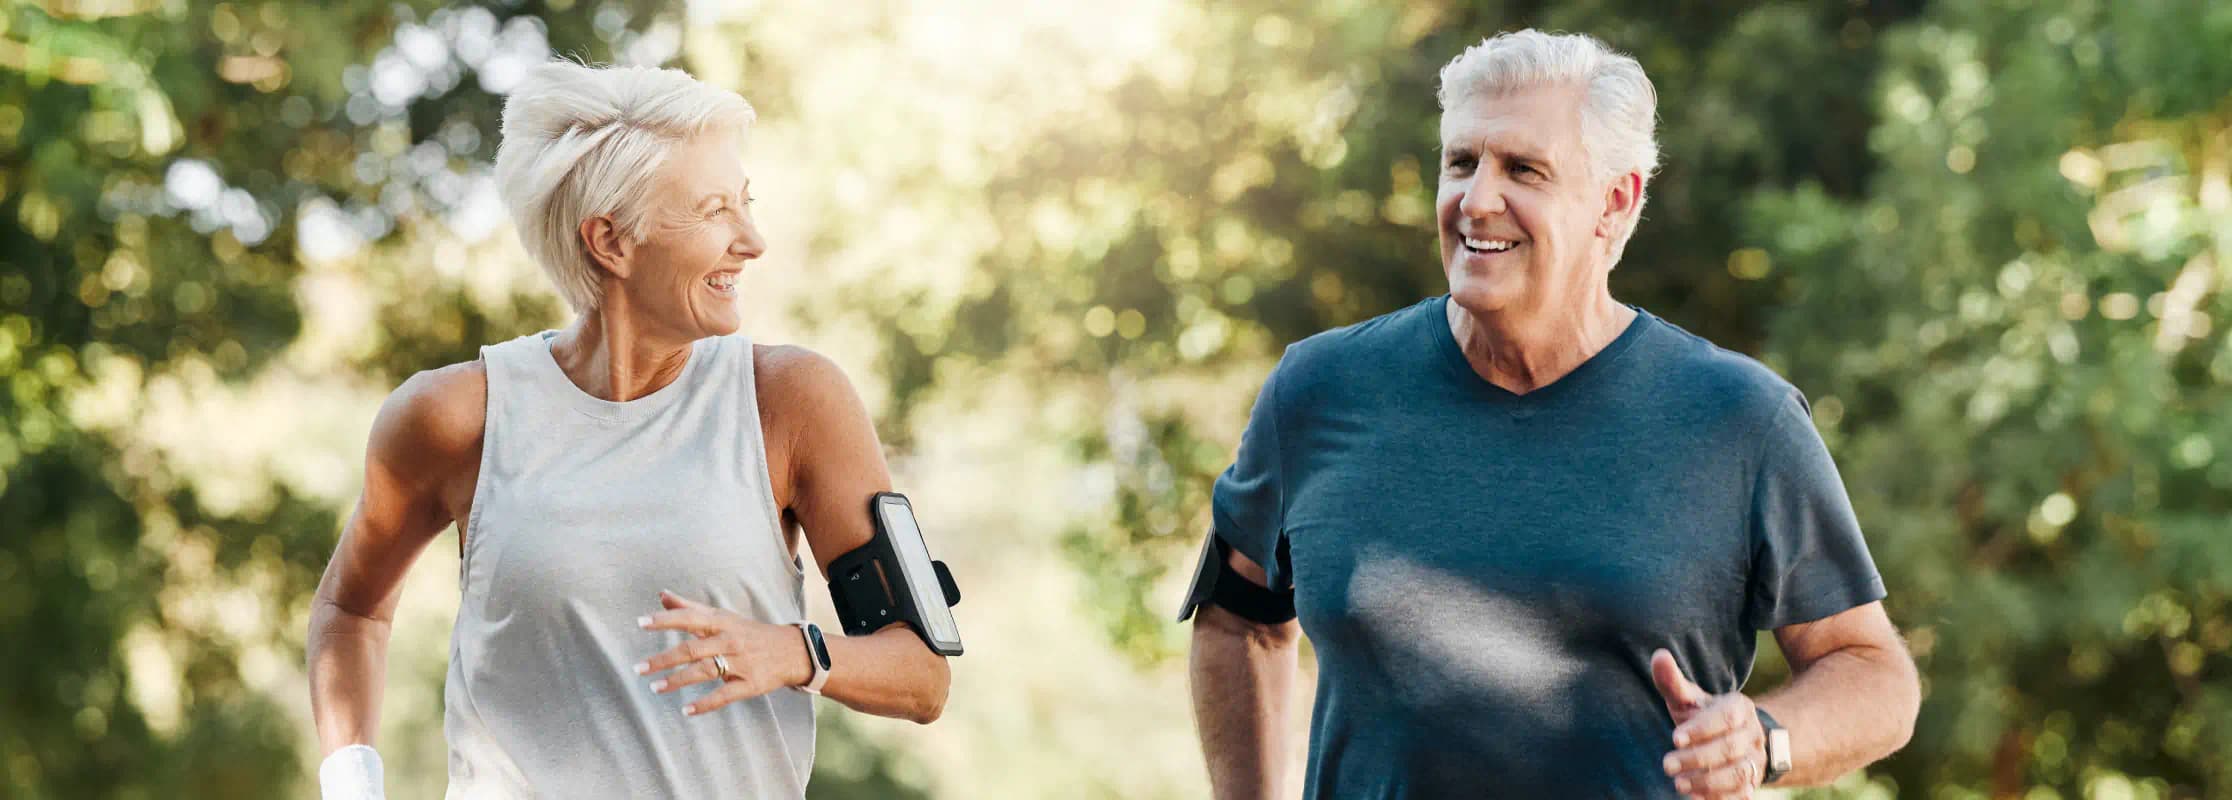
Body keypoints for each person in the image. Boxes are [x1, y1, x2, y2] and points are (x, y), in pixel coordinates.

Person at [1180, 30, 1919, 799]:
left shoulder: (1740, 419)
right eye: (1461, 162)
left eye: (1523, 169)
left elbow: (1874, 674)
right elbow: (1238, 619)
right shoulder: (1321, 389)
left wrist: (1765, 741)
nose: (1477, 200)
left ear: (1615, 201)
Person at [306, 61, 950, 799]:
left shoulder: (790, 401)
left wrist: (794, 652)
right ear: (610, 241)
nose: (753, 240)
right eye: (715, 211)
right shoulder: (455, 417)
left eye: (746, 203)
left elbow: (922, 676)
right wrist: (351, 785)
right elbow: (349, 610)